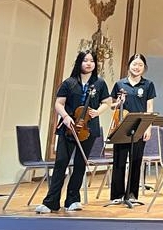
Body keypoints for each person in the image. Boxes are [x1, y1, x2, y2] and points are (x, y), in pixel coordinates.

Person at [36, 51, 112, 213]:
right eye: (85, 60)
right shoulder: (69, 82)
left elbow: (107, 102)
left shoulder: (99, 83)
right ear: (79, 63)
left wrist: (97, 112)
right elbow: (59, 103)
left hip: (89, 129)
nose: (89, 63)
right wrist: (65, 116)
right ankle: (51, 202)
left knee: (80, 164)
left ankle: (73, 199)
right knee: (61, 162)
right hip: (68, 128)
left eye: (92, 61)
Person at [108, 54, 156, 205]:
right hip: (122, 127)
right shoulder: (120, 84)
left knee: (136, 160)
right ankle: (117, 195)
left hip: (140, 126)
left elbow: (149, 107)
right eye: (134, 64)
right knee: (119, 161)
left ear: (144, 68)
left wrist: (148, 127)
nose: (137, 67)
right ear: (129, 66)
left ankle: (132, 194)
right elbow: (112, 106)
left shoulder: (148, 85)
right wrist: (118, 102)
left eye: (140, 65)